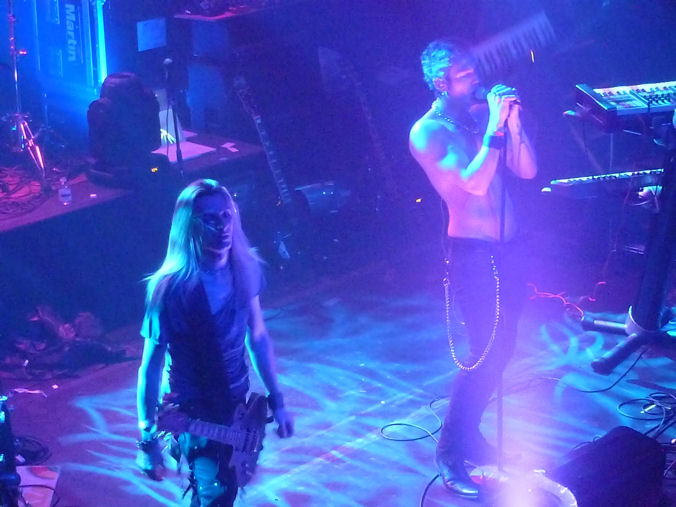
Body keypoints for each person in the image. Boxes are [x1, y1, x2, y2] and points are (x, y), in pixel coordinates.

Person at [409, 39, 537, 498]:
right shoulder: (427, 132)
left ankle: (470, 435)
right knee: (484, 351)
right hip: (473, 256)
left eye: (473, 70)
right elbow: (475, 183)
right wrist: (495, 128)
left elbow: (527, 170)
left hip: (510, 248)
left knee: (503, 349)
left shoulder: (478, 118)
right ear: (440, 82)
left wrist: (512, 123)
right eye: (464, 75)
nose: (475, 79)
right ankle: (449, 450)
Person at [136, 179, 294, 506]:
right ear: (189, 226)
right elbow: (150, 367)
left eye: (226, 215)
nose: (222, 226)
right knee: (216, 492)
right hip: (193, 409)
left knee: (222, 490)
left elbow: (257, 336)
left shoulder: (245, 269)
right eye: (209, 219)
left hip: (236, 403)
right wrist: (148, 438)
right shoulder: (169, 289)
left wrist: (277, 401)